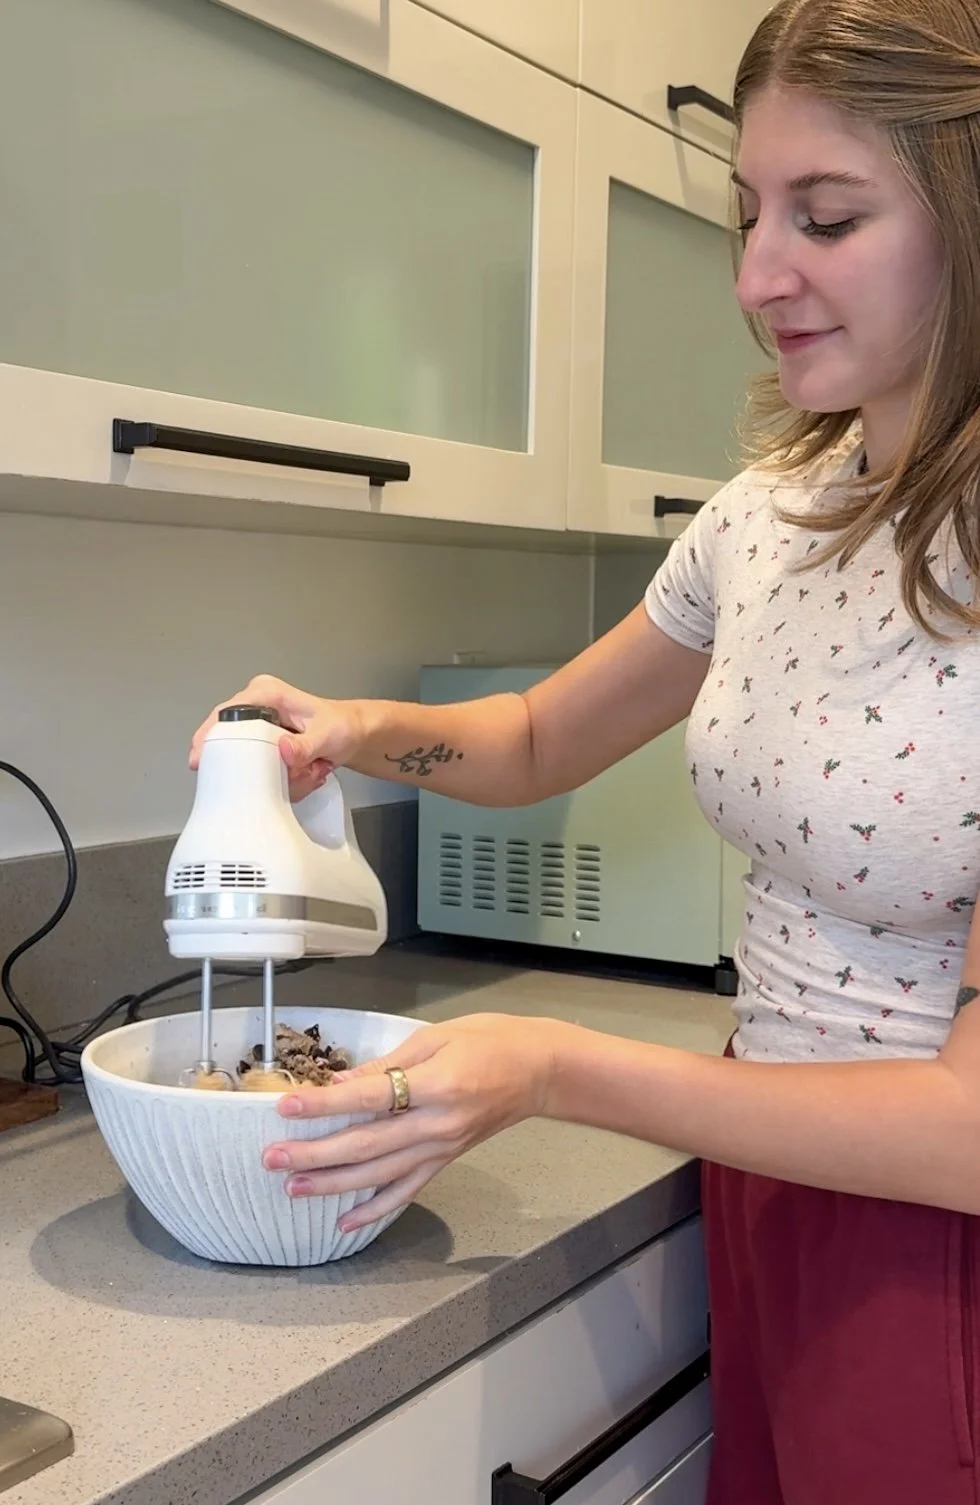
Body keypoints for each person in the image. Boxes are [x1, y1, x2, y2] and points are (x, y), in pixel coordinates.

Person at [189, 1, 980, 1498]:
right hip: (772, 1170)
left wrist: (551, 1063)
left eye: (827, 215)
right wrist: (351, 733)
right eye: (749, 215)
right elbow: (544, 733)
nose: (757, 276)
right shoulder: (768, 518)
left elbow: (970, 1130)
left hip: (934, 1245)